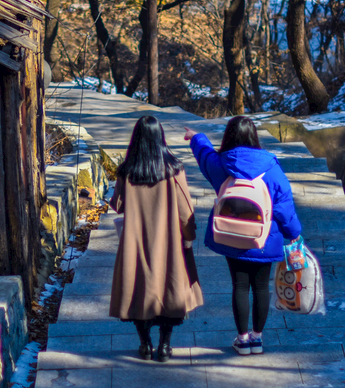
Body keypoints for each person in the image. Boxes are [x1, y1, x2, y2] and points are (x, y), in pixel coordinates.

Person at [184, 116, 302, 356]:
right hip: (265, 238)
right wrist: (294, 233)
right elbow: (283, 205)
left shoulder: (220, 164)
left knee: (239, 285)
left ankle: (242, 339)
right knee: (260, 287)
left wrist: (195, 137)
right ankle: (257, 339)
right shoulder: (271, 167)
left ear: (228, 136)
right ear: (254, 136)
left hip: (231, 235)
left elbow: (204, 155)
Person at [110, 115, 203, 362]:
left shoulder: (127, 171)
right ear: (160, 138)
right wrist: (189, 237)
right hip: (169, 244)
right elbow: (185, 211)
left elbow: (117, 205)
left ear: (136, 139)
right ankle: (165, 345)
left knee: (137, 289)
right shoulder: (174, 170)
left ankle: (144, 344)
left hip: (136, 243)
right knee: (170, 290)